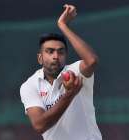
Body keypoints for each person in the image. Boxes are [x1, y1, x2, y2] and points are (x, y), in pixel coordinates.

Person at [20, 4, 102, 140]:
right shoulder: (30, 85)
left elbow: (91, 60)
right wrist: (70, 94)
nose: (56, 56)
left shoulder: (75, 72)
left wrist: (63, 25)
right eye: (50, 51)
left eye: (61, 51)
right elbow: (40, 125)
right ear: (40, 58)